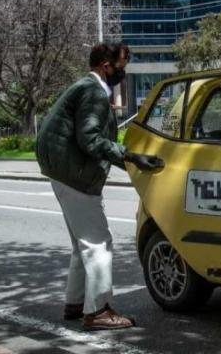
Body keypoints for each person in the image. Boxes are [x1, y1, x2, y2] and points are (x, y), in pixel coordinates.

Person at [36, 42, 162, 330]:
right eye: (122, 65)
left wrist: (131, 163)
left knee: (82, 245)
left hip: (61, 171)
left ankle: (76, 304)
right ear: (106, 65)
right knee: (99, 243)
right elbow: (90, 140)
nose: (124, 71)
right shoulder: (93, 92)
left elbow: (90, 140)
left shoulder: (84, 87)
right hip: (74, 175)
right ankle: (99, 310)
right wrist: (130, 156)